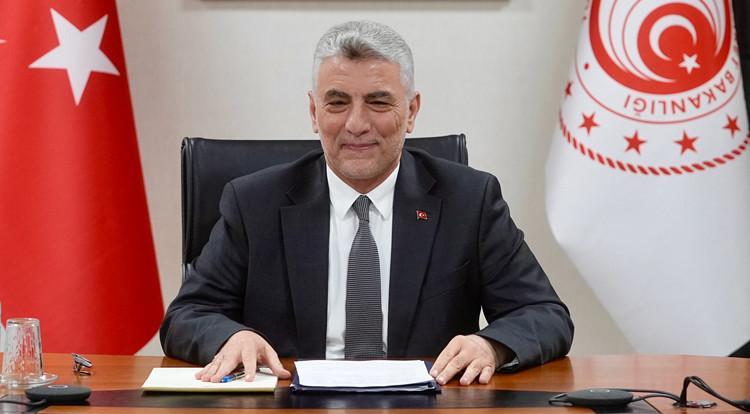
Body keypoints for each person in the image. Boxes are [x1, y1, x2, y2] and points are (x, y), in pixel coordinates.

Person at [160, 20, 573, 386]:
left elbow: (545, 314)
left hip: (428, 411)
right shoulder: (254, 203)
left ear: (411, 111)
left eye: (378, 102)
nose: (356, 124)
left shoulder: (469, 200)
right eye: (337, 103)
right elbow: (187, 315)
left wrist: (490, 346)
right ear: (314, 112)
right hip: (291, 409)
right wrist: (232, 336)